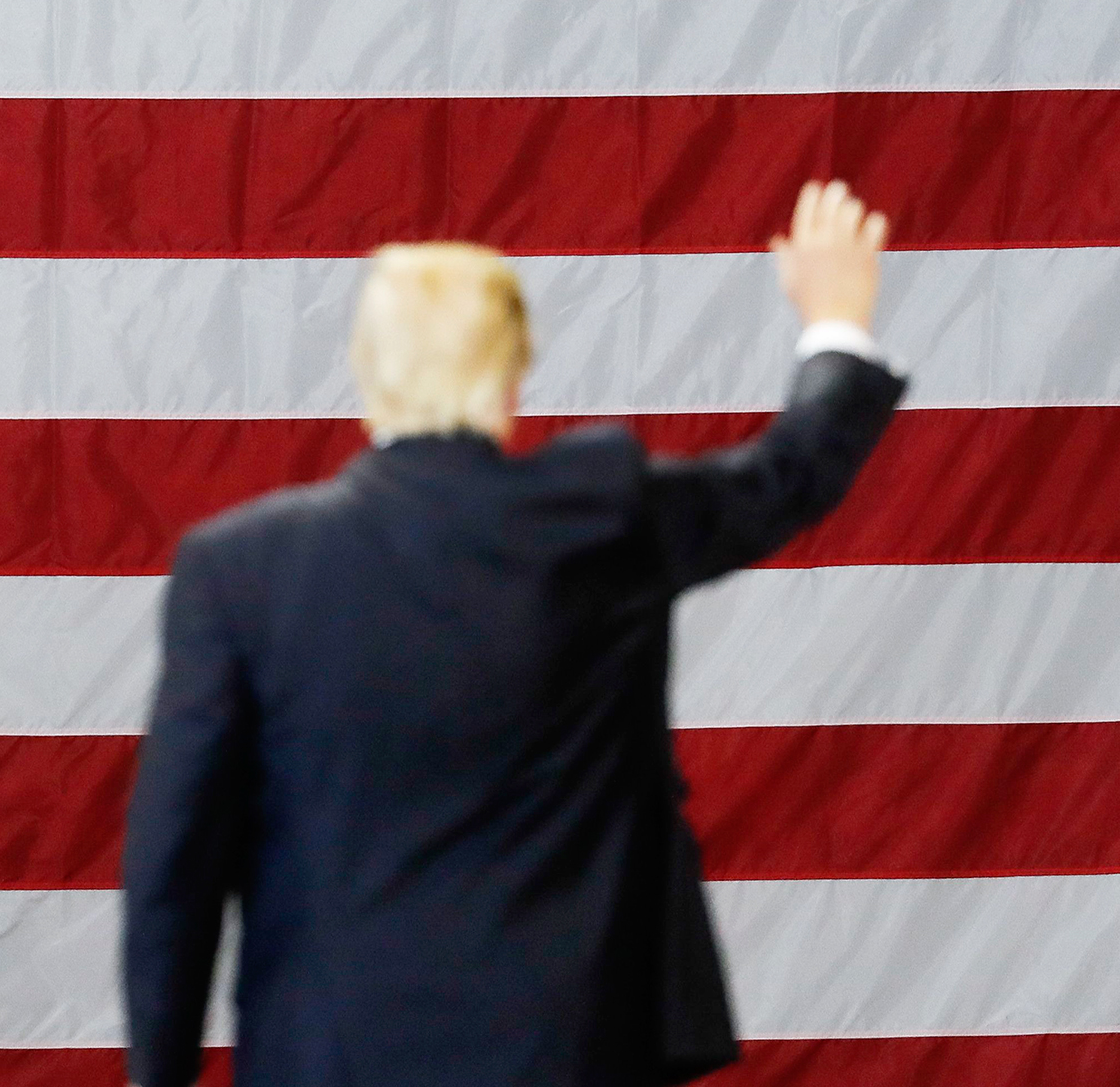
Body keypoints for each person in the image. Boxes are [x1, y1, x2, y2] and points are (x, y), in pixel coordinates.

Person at [120, 180, 906, 1087]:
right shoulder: (596, 519)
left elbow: (175, 866)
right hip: (569, 1053)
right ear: (513, 373)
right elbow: (787, 474)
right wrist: (836, 319)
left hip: (332, 1057)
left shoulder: (239, 570)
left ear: (365, 367)